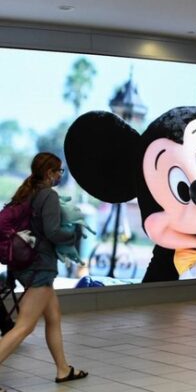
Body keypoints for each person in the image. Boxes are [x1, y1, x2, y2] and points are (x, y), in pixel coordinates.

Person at [0, 152, 88, 388]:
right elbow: (52, 231)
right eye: (59, 171)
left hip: (26, 264)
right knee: (24, 326)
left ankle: (63, 369)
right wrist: (74, 233)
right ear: (50, 173)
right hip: (40, 266)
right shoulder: (47, 195)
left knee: (53, 317)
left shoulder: (26, 192)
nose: (60, 175)